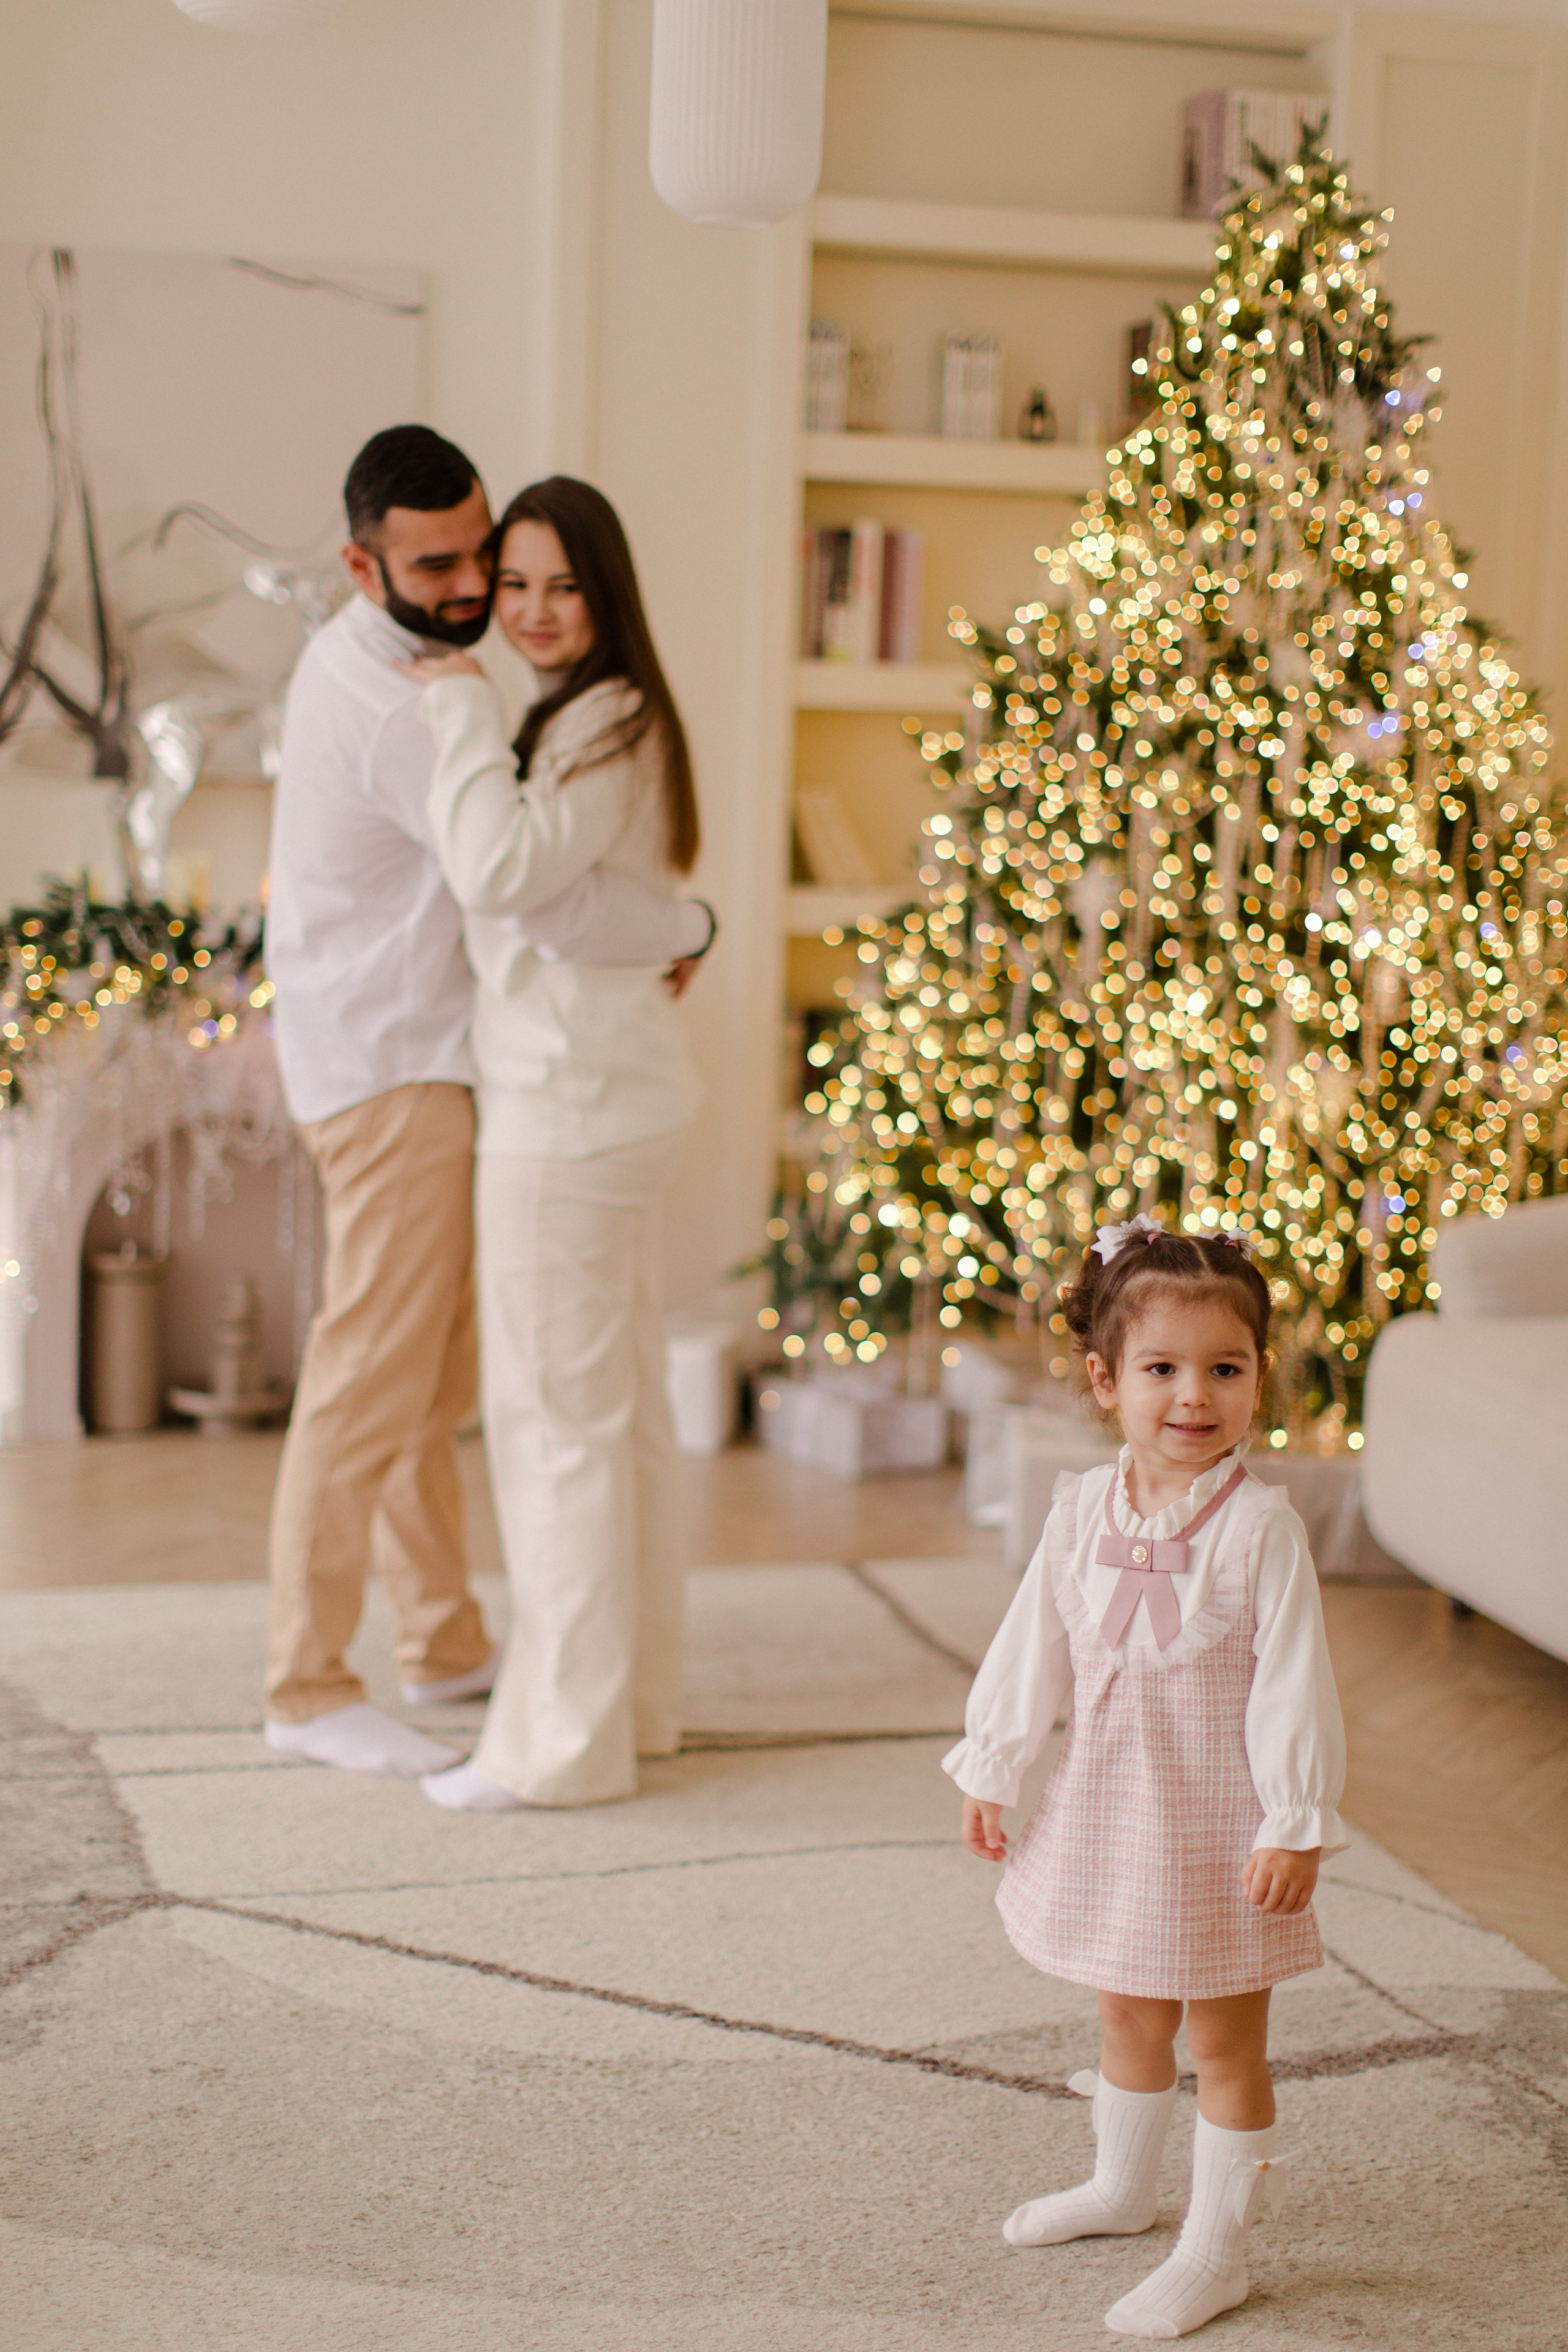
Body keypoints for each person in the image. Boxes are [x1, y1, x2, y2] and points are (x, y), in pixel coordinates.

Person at [263, 428, 712, 1779]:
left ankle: (445, 1636)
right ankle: (303, 1680)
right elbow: (512, 876)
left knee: (429, 1371)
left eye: (490, 556)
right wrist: (688, 916)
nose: (478, 592)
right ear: (361, 563)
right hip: (400, 1069)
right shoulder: (419, 697)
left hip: (419, 1062)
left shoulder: (409, 664)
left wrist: (677, 915)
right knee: (375, 1375)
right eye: (446, 565)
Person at [945, 1215, 1346, 2340]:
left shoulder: (1260, 1529)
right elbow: (1037, 1642)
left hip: (1220, 1827)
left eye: (1226, 1369)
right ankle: (1121, 2190)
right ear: (1103, 1378)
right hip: (1110, 1807)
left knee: (1222, 2039)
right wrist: (996, 1760)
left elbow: (1295, 1688)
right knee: (1126, 2010)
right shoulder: (1081, 1509)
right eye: (1162, 1369)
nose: (1194, 1396)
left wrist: (1295, 1821)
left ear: (1258, 1374)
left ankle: (1215, 2252)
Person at [396, 475, 706, 1814]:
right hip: (604, 1106)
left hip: (565, 1120)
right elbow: (589, 906)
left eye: (558, 586)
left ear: (605, 593)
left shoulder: (596, 717)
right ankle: (628, 1714)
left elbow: (493, 870)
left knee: (555, 1434)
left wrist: (455, 701)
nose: (526, 610)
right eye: (510, 585)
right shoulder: (602, 716)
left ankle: (560, 1750)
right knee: (613, 1425)